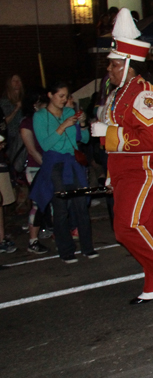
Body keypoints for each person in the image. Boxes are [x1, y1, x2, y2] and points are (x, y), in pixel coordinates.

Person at [91, 8, 153, 304]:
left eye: (115, 65)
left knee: (127, 227)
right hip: (124, 170)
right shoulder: (119, 93)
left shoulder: (144, 93)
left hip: (145, 169)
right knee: (145, 226)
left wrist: (107, 135)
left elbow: (147, 140)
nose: (110, 69)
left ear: (130, 64)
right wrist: (110, 173)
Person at [31, 82, 97, 263]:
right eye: (61, 96)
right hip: (55, 164)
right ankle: (66, 250)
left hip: (73, 162)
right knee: (60, 209)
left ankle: (87, 247)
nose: (65, 100)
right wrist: (62, 126)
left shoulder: (69, 112)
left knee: (81, 206)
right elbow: (45, 144)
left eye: (66, 96)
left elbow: (83, 138)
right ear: (50, 95)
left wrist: (82, 123)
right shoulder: (40, 117)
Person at [19, 90, 49, 253]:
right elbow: (31, 149)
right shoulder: (27, 123)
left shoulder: (46, 120)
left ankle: (49, 231)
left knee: (51, 203)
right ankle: (33, 240)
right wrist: (47, 165)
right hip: (35, 166)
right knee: (38, 203)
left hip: (47, 164)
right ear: (35, 104)